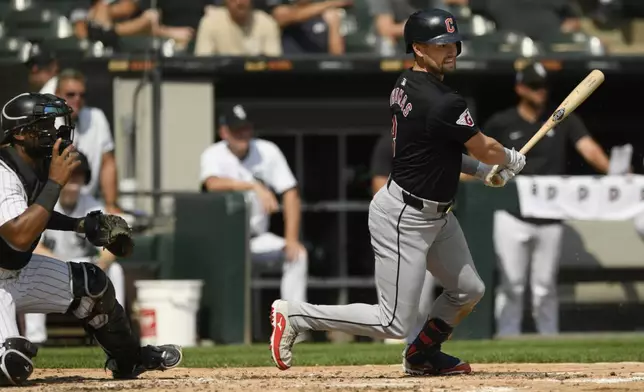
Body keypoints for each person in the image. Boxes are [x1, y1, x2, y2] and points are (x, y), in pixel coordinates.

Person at [269, 8, 526, 376]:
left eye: (454, 43)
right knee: (392, 322)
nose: (450, 50)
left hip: (437, 214)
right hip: (405, 215)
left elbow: (442, 153)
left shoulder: (407, 84)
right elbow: (486, 147)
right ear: (418, 49)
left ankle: (421, 355)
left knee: (468, 289)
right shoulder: (441, 101)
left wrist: (485, 172)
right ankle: (295, 314)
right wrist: (508, 158)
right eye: (440, 45)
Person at [0, 92, 181, 385]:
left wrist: (80, 225)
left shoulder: (33, 166)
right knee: (12, 367)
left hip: (15, 270)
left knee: (93, 284)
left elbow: (34, 213)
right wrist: (57, 183)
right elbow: (19, 234)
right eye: (43, 125)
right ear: (20, 135)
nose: (54, 131)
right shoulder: (3, 171)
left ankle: (129, 359)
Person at [484, 61, 610, 338]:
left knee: (544, 285)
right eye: (533, 86)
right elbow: (482, 154)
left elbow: (588, 149)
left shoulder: (565, 118)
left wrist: (614, 172)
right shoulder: (503, 121)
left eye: (543, 86)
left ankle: (549, 338)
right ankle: (507, 337)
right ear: (520, 89)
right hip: (511, 212)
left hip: (550, 214)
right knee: (513, 283)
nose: (540, 91)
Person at [200, 104, 308, 315]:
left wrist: (291, 238)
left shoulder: (267, 151)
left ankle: (292, 324)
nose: (242, 135)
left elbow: (290, 192)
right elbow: (211, 183)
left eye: (246, 129)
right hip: (223, 243)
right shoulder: (213, 154)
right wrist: (253, 185)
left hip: (256, 240)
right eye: (236, 130)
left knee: (297, 255)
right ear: (224, 132)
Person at [23, 152, 126, 346]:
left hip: (85, 265)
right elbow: (33, 245)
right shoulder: (45, 202)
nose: (73, 181)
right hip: (52, 263)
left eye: (78, 175)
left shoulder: (93, 205)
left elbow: (111, 243)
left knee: (116, 271)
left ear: (84, 178)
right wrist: (60, 264)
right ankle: (35, 339)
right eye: (70, 174)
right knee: (32, 269)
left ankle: (115, 331)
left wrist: (104, 261)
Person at [370, 132, 436, 345]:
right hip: (396, 228)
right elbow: (379, 184)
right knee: (396, 306)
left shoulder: (437, 143)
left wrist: (487, 171)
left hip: (427, 227)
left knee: (422, 304)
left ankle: (414, 352)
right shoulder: (389, 143)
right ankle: (393, 351)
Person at [54, 69, 122, 214]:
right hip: (52, 203)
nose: (77, 99)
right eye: (70, 94)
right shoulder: (45, 123)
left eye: (82, 95)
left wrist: (111, 204)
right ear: (57, 94)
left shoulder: (96, 118)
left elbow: (108, 163)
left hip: (87, 203)